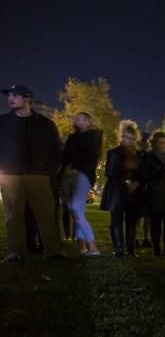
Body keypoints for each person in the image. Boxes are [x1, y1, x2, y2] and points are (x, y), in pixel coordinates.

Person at [0, 84, 65, 262]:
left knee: (46, 214)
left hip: (39, 175)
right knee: (13, 216)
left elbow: (56, 150)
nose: (10, 98)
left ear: (28, 99)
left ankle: (53, 250)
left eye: (16, 95)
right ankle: (16, 252)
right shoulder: (3, 122)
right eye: (9, 95)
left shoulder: (45, 124)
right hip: (11, 175)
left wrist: (49, 170)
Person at [60, 112, 103, 255]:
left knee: (75, 208)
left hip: (83, 174)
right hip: (68, 175)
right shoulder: (73, 138)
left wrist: (75, 165)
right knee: (75, 211)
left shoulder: (94, 136)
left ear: (89, 121)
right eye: (76, 118)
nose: (78, 121)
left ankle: (93, 246)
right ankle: (82, 246)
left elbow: (89, 156)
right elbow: (66, 155)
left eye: (82, 119)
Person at [100, 121, 144, 257]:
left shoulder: (139, 155)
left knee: (131, 221)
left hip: (134, 191)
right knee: (116, 220)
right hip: (117, 190)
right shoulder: (114, 153)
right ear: (121, 137)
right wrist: (124, 180)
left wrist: (136, 183)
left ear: (135, 139)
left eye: (131, 139)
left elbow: (142, 173)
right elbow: (109, 172)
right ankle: (119, 249)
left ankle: (131, 250)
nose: (128, 141)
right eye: (125, 138)